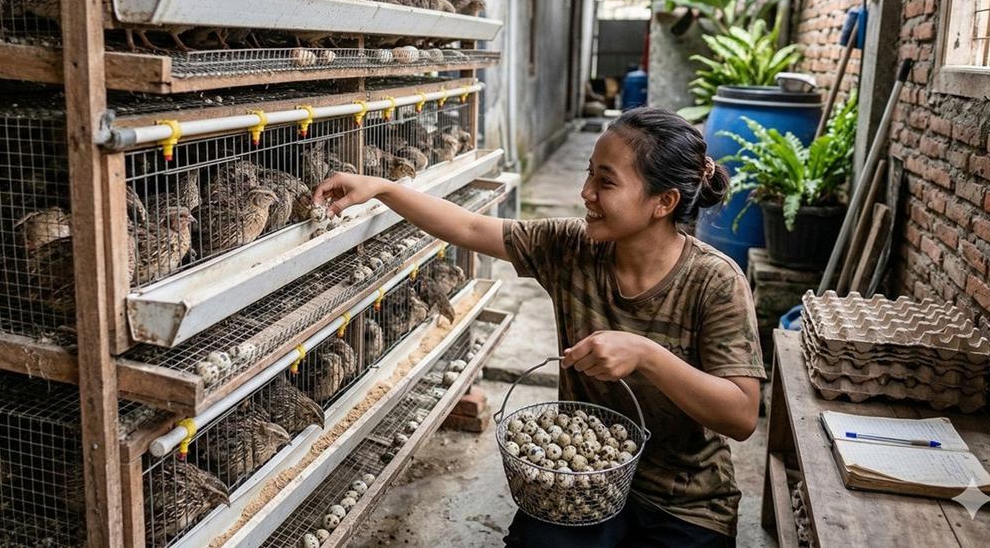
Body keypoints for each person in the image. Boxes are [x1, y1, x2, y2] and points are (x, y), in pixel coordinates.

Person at [312, 107, 764, 547]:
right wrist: (383, 189)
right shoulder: (572, 246)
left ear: (664, 202)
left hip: (685, 501)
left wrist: (646, 354)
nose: (585, 191)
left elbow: (741, 416)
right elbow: (469, 226)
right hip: (579, 478)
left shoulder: (715, 282)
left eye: (605, 181)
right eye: (589, 174)